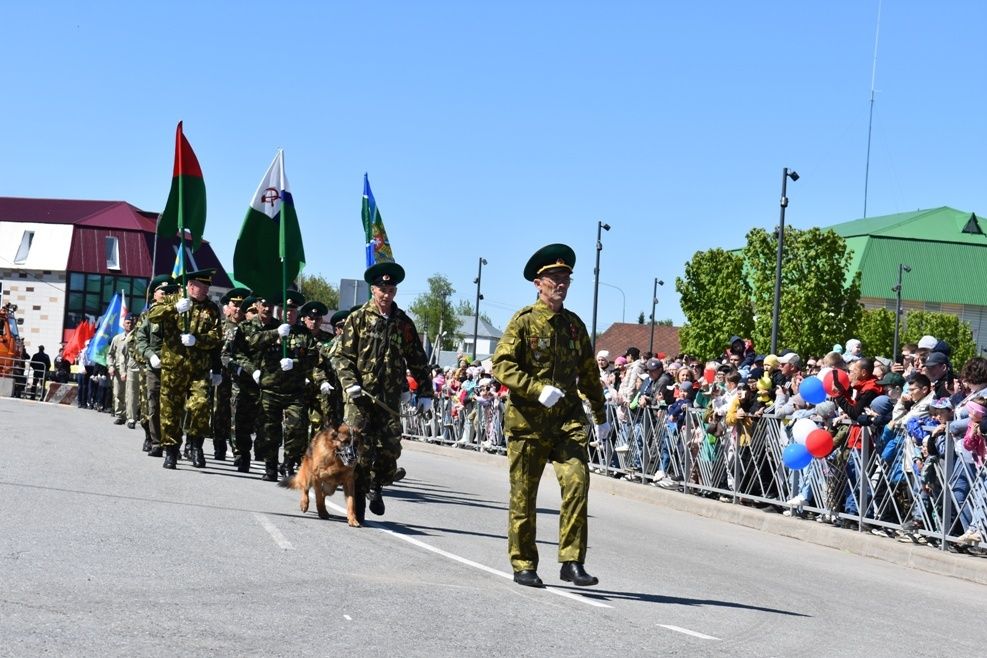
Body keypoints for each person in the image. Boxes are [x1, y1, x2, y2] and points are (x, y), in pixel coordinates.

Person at [491, 243, 607, 589]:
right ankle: (524, 562)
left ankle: (572, 560)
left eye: (566, 277)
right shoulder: (524, 322)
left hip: (567, 422)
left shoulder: (574, 326)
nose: (561, 283)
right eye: (554, 277)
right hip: (527, 423)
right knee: (524, 495)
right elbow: (502, 365)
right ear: (538, 283)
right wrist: (535, 388)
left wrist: (600, 416)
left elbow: (589, 374)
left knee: (577, 482)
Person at [332, 262, 432, 522]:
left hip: (388, 400)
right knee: (359, 452)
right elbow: (342, 356)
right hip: (360, 398)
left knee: (390, 451)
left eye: (391, 289)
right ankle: (360, 503)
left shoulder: (403, 323)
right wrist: (349, 382)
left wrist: (425, 392)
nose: (386, 294)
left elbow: (418, 359)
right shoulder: (358, 319)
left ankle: (378, 485)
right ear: (373, 290)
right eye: (381, 289)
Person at [147, 269, 223, 469]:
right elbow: (152, 315)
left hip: (199, 369)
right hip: (174, 368)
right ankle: (171, 451)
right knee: (170, 411)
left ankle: (196, 446)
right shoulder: (174, 299)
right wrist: (174, 308)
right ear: (190, 285)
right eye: (202, 286)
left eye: (207, 286)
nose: (206, 289)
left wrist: (198, 341)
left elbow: (216, 338)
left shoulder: (212, 309)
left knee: (201, 406)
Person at [249, 290, 317, 481]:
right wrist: (274, 334)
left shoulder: (305, 335)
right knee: (269, 430)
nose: (289, 313)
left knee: (296, 428)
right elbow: (252, 343)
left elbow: (313, 357)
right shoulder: (268, 329)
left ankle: (289, 463)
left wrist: (295, 363)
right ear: (278, 311)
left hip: (295, 391)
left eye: (293, 310)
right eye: (285, 309)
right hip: (271, 388)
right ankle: (270, 466)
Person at [225, 295, 276, 473]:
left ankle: (268, 459)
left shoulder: (280, 327)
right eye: (263, 305)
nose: (267, 309)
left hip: (270, 384)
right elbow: (237, 354)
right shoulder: (244, 328)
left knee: (268, 423)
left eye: (270, 305)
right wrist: (250, 369)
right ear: (257, 306)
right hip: (247, 382)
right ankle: (243, 455)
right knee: (242, 422)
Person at [134, 275, 177, 455]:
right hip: (152, 366)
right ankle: (155, 440)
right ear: (154, 295)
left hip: (175, 366)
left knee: (174, 406)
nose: (166, 295)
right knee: (152, 406)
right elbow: (138, 341)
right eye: (162, 291)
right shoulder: (148, 315)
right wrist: (149, 357)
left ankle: (172, 442)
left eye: (170, 291)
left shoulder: (179, 313)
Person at [212, 287, 249, 460]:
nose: (237, 309)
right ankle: (219, 445)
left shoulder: (248, 328)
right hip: (222, 375)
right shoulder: (220, 326)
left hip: (241, 377)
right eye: (235, 304)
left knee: (238, 413)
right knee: (221, 411)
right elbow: (214, 350)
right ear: (229, 305)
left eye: (241, 305)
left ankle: (238, 450)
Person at [107, 317, 135, 425]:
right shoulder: (117, 339)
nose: (129, 324)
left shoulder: (137, 338)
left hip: (132, 370)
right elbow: (110, 354)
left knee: (131, 395)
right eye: (127, 322)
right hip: (118, 371)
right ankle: (120, 415)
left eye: (131, 323)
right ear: (123, 324)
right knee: (118, 393)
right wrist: (110, 366)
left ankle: (130, 417)